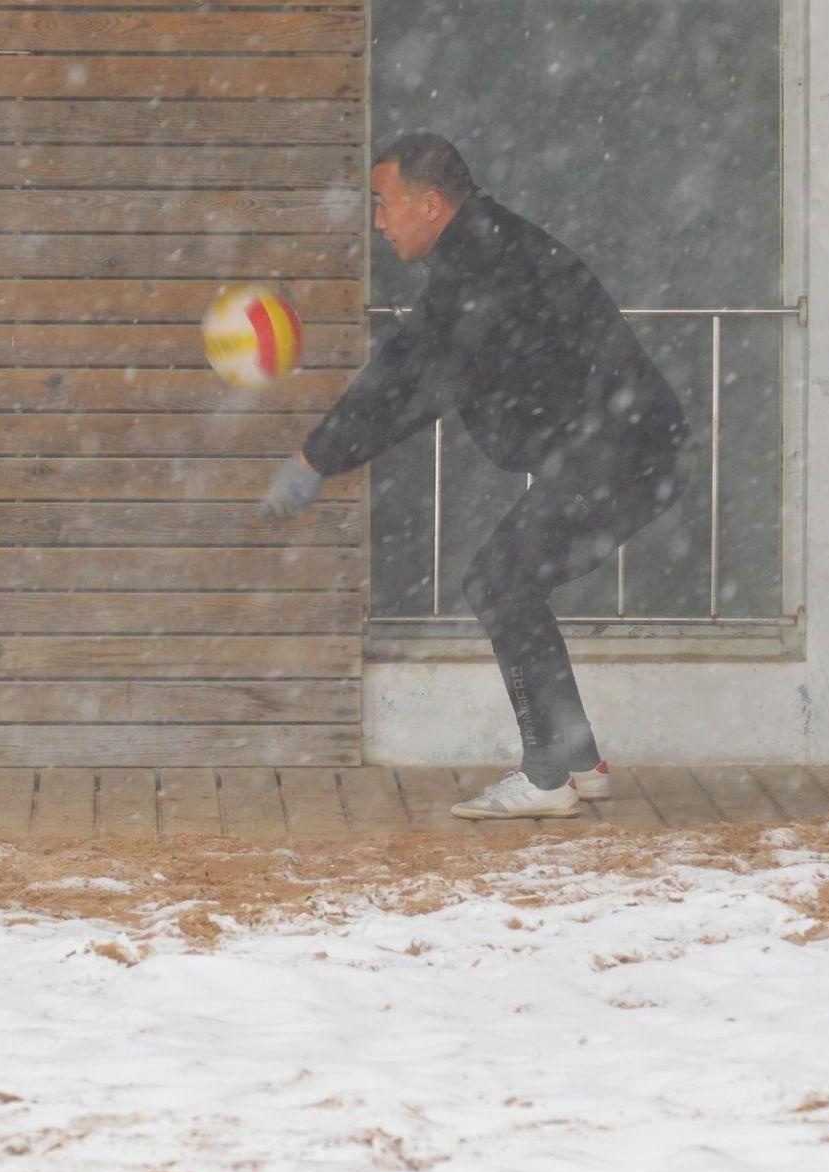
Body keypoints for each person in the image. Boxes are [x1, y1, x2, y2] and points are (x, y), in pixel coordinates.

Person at [260, 132, 692, 819]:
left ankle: (549, 774)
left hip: (620, 446)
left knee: (501, 580)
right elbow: (420, 372)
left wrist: (316, 457)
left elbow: (403, 382)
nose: (377, 221)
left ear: (430, 204)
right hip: (627, 444)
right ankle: (579, 759)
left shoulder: (480, 271)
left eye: (383, 203)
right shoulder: (487, 250)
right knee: (512, 579)